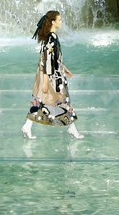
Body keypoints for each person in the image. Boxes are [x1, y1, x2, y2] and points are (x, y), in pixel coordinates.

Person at [22, 10, 83, 140]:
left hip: (50, 73)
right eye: (59, 20)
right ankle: (72, 130)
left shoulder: (49, 37)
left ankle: (27, 126)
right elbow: (48, 60)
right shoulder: (52, 37)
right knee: (62, 100)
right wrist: (45, 82)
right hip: (52, 76)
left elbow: (52, 57)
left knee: (42, 100)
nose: (61, 22)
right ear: (53, 22)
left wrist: (64, 68)